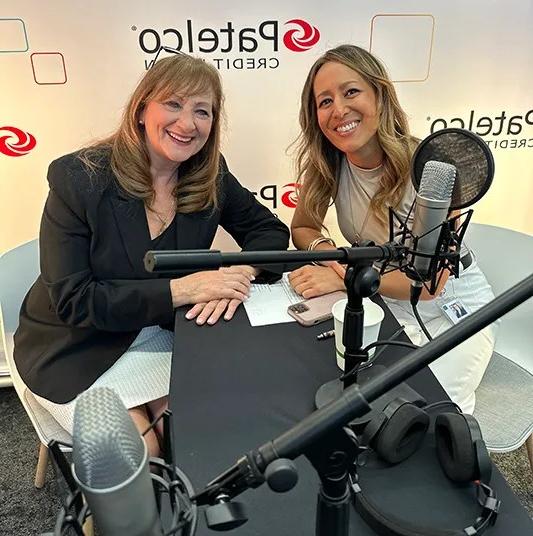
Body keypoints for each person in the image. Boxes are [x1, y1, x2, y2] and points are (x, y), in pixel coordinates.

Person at [13, 54, 289, 455]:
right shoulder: (79, 178)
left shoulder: (210, 174)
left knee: (196, 433)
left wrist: (239, 272)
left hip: (161, 335)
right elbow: (75, 301)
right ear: (142, 109)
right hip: (77, 346)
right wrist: (183, 290)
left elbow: (270, 232)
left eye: (202, 111)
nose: (188, 123)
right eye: (173, 104)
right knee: (140, 452)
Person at [288, 44, 497, 413]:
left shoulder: (434, 169)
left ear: (380, 97)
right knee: (356, 400)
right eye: (324, 101)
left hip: (452, 309)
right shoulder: (328, 164)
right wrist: (338, 263)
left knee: (422, 413)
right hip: (382, 298)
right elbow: (303, 227)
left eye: (351, 92)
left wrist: (344, 277)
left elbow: (426, 286)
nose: (339, 110)